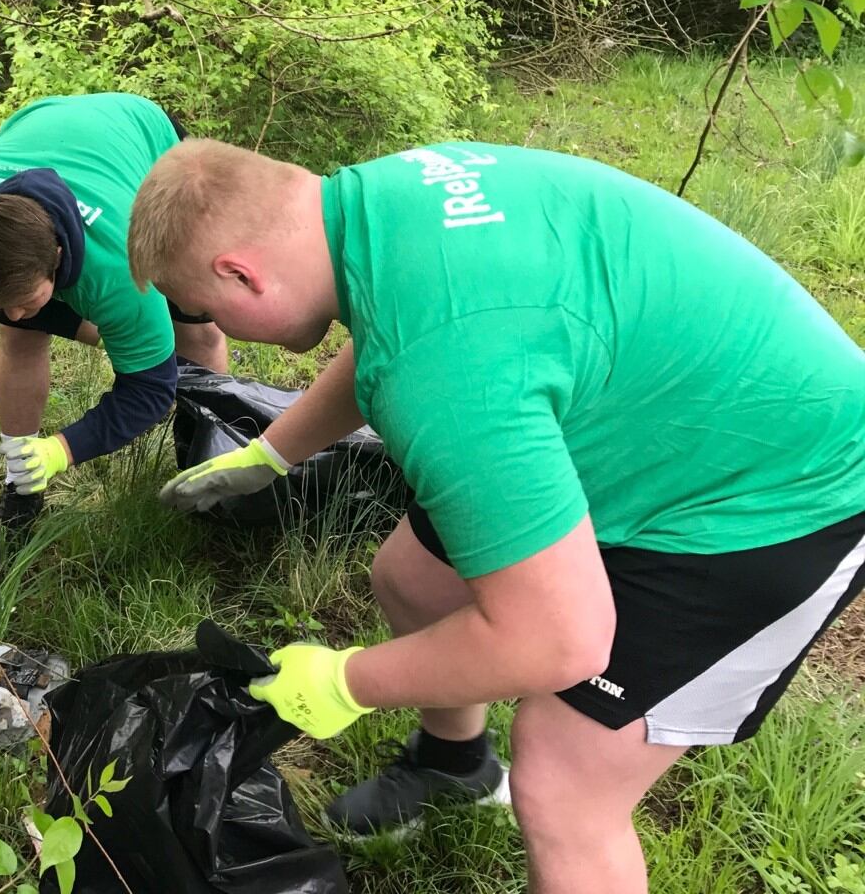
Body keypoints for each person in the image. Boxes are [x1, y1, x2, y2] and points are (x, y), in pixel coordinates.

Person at [127, 137, 865, 894]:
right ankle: (456, 769)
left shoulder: (445, 373)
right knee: (415, 581)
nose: (211, 328)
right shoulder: (370, 206)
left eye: (205, 311)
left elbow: (561, 643)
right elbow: (395, 331)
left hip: (774, 492)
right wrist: (271, 454)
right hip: (659, 415)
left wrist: (347, 679)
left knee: (563, 784)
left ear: (240, 273)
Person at [0, 93, 228, 549]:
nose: (12, 311)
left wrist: (63, 449)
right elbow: (22, 311)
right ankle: (20, 483)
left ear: (59, 258)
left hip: (148, 143)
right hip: (43, 122)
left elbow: (149, 389)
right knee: (20, 336)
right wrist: (67, 324)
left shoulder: (120, 271)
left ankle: (211, 465)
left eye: (28, 298)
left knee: (196, 327)